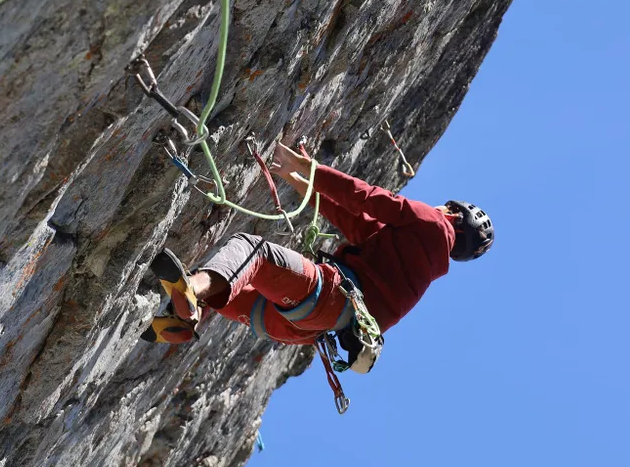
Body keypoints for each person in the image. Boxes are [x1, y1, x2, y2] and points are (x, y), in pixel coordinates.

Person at [142, 143, 494, 370]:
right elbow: (354, 221)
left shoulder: (433, 222)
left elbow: (368, 199)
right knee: (242, 285)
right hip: (298, 328)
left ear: (453, 216)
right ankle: (190, 316)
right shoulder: (416, 269)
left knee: (253, 252)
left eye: (445, 207)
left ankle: (192, 289)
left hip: (327, 295)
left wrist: (309, 169)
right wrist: (299, 181)